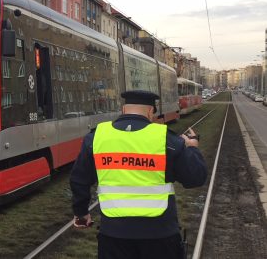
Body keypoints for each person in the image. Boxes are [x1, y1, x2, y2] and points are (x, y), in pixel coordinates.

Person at [70, 90, 207, 259]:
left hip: (114, 235)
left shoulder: (97, 137)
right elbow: (196, 177)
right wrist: (192, 147)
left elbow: (79, 179)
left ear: (123, 109)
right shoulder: (166, 139)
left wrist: (81, 212)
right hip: (160, 235)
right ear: (150, 111)